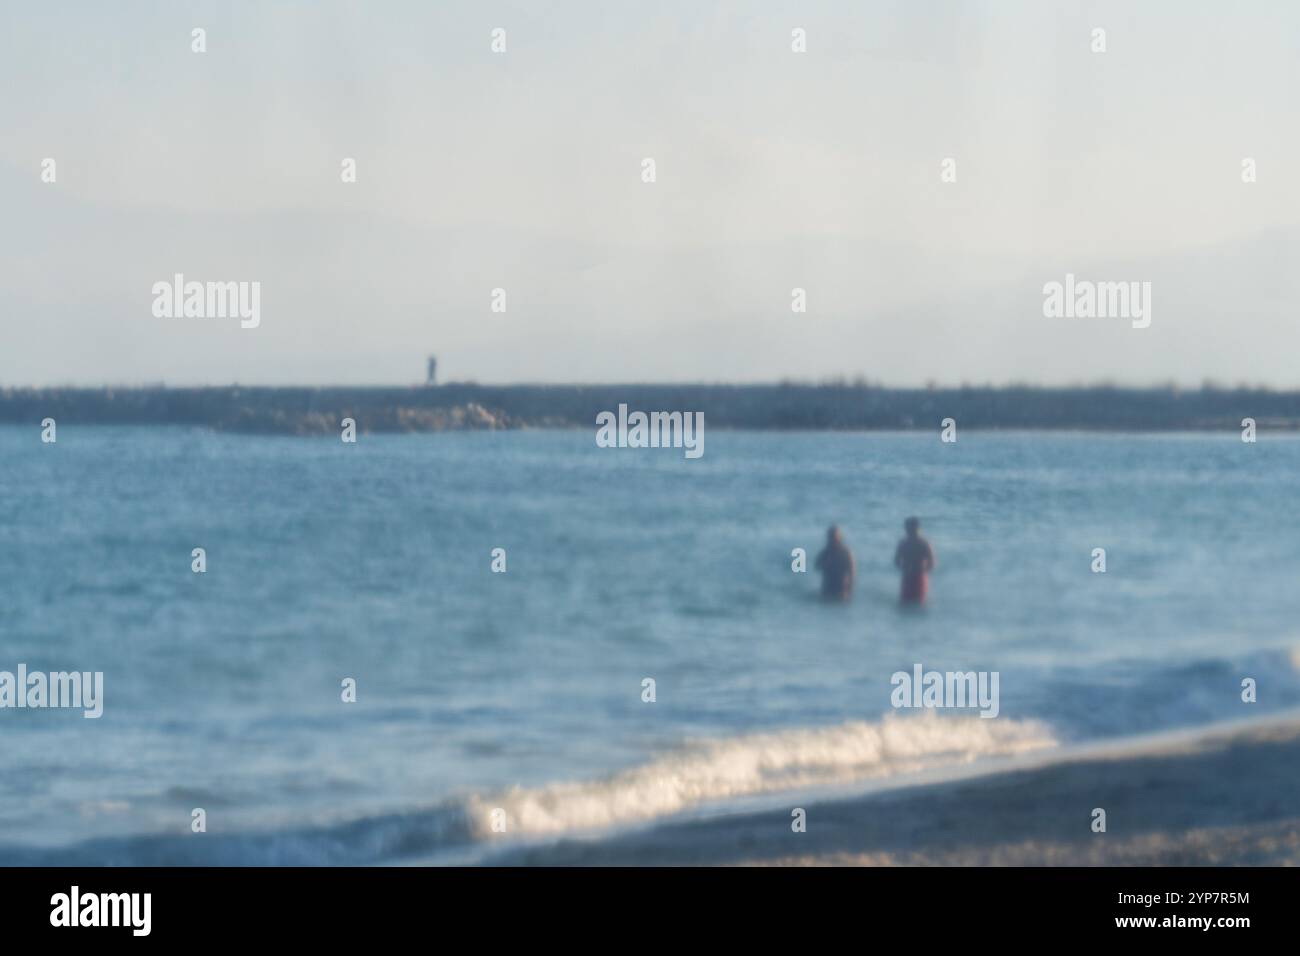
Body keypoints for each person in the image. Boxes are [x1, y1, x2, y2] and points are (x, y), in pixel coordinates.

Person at [894, 516, 935, 605]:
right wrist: (905, 569)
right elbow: (896, 561)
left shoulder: (924, 543)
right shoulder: (903, 543)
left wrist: (922, 571)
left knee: (919, 603)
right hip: (907, 577)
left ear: (918, 528)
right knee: (904, 603)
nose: (909, 531)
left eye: (912, 528)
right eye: (908, 528)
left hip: (919, 577)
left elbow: (932, 562)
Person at [814, 525, 855, 601]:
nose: (832, 540)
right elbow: (816, 566)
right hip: (827, 588)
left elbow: (852, 574)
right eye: (831, 538)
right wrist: (825, 563)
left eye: (834, 538)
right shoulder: (825, 553)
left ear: (840, 538)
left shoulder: (846, 553)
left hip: (841, 590)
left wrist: (849, 592)